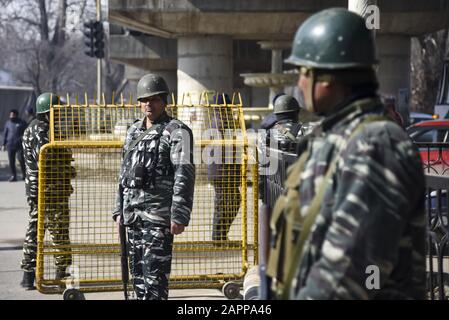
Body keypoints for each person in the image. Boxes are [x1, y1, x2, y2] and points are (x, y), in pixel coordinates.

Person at [266, 8, 426, 300]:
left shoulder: (375, 145)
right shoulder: (334, 135)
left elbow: (348, 273)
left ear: (326, 79)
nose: (299, 83)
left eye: (303, 72)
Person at [113, 73, 195, 300]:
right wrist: (118, 209)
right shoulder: (132, 132)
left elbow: (184, 174)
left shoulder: (177, 131)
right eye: (144, 100)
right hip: (133, 218)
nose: (149, 104)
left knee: (155, 281)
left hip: (158, 218)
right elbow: (123, 173)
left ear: (164, 101)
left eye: (155, 99)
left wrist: (179, 215)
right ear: (139, 103)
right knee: (138, 279)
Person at [20, 92, 74, 289]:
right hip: (51, 189)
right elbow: (47, 160)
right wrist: (68, 168)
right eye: (56, 111)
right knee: (59, 232)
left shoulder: (31, 129)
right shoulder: (42, 131)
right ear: (48, 112)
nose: (59, 115)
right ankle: (61, 275)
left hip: (38, 189)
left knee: (35, 231)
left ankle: (27, 275)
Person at [207, 93, 242, 245]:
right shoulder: (222, 123)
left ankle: (220, 236)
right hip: (223, 172)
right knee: (224, 203)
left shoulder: (222, 121)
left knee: (229, 201)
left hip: (223, 171)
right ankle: (218, 237)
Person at [2, 109, 27, 182]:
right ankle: (14, 176)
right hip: (10, 145)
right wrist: (3, 144)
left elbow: (26, 132)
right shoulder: (8, 123)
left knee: (21, 160)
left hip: (19, 145)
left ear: (16, 115)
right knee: (11, 162)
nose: (11, 116)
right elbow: (5, 134)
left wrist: (23, 139)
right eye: (10, 115)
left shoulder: (22, 122)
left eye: (13, 115)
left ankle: (24, 175)